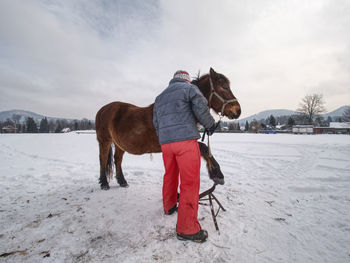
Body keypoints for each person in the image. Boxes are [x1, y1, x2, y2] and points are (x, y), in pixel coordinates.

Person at [153, 70, 217, 243]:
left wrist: (164, 138)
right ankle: (187, 229)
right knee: (190, 183)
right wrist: (210, 125)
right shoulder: (189, 89)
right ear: (187, 80)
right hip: (185, 142)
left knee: (170, 175)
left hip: (166, 144)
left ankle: (169, 206)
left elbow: (156, 122)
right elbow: (201, 108)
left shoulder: (159, 98)